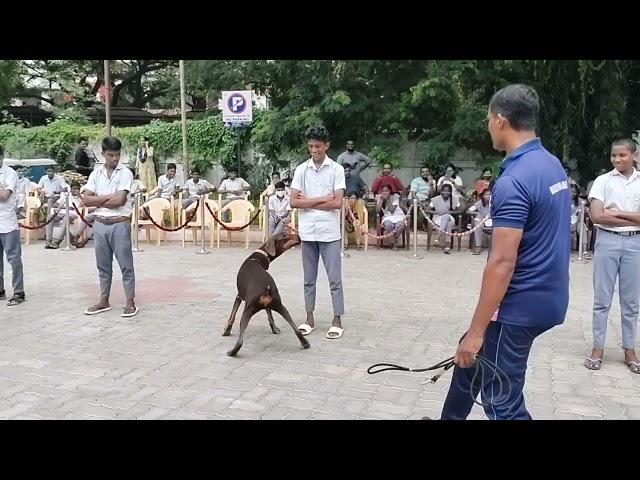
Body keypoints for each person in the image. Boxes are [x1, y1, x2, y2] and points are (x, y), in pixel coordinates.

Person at [438, 83, 570, 420]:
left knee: (501, 401)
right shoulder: (550, 164)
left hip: (520, 305)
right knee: (468, 357)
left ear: (499, 121)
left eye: (487, 120)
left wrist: (478, 330)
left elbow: (501, 262)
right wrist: (473, 334)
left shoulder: (515, 180)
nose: (487, 127)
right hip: (548, 296)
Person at [584, 138, 640, 374]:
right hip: (607, 241)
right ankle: (598, 348)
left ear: (634, 155)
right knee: (602, 299)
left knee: (631, 302)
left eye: (622, 155)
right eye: (613, 156)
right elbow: (597, 216)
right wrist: (633, 215)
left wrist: (615, 212)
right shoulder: (602, 181)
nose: (617, 159)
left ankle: (629, 349)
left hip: (635, 242)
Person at [290, 126, 346, 340]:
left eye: (318, 146)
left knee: (334, 278)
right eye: (311, 146)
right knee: (308, 278)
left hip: (329, 232)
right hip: (308, 231)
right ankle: (309, 317)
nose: (314, 150)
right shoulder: (301, 170)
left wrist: (308, 202)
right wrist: (323, 199)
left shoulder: (336, 169)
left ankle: (337, 318)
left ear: (326, 146)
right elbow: (294, 201)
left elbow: (338, 202)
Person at [81, 136, 138, 318]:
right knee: (103, 266)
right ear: (103, 154)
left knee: (126, 265)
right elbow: (86, 200)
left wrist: (99, 199)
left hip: (119, 223)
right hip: (100, 224)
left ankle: (130, 301)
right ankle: (103, 300)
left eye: (117, 154)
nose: (115, 158)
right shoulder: (96, 173)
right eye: (111, 155)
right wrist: (108, 198)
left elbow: (120, 201)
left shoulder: (125, 173)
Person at [0, 145, 25, 306]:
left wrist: (2, 190)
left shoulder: (10, 173)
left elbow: (4, 196)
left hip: (7, 222)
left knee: (13, 258)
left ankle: (18, 291)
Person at [37, 166, 69, 248]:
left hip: (56, 197)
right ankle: (48, 241)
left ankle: (48, 216)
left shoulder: (59, 178)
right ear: (46, 172)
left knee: (50, 202)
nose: (50, 173)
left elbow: (65, 188)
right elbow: (38, 188)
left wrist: (57, 191)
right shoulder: (43, 178)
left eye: (52, 171)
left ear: (54, 171)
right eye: (49, 171)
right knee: (39, 206)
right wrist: (42, 192)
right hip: (46, 197)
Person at [46, 182, 84, 249]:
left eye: (77, 189)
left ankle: (57, 242)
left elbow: (85, 203)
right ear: (71, 189)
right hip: (62, 212)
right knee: (50, 218)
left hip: (72, 214)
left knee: (65, 220)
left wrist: (79, 196)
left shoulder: (81, 197)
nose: (75, 190)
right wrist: (65, 207)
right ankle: (48, 241)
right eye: (74, 189)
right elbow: (54, 205)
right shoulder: (66, 196)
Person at [427, 183, 461, 254]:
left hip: (450, 218)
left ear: (450, 192)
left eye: (448, 191)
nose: (446, 192)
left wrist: (450, 212)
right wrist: (437, 212)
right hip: (438, 218)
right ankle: (447, 246)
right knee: (447, 223)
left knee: (446, 216)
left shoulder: (454, 199)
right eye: (444, 191)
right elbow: (427, 210)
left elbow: (460, 210)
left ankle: (438, 237)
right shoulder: (435, 199)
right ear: (441, 191)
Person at [377, 184, 406, 251]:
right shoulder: (380, 197)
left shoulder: (395, 196)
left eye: (386, 191)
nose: (385, 193)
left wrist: (388, 200)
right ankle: (394, 242)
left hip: (398, 215)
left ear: (390, 191)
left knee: (400, 225)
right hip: (387, 217)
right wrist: (381, 201)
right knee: (388, 225)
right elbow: (377, 211)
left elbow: (392, 210)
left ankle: (393, 240)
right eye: (383, 191)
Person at [468, 187, 492, 255]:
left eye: (490, 194)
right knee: (477, 224)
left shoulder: (494, 202)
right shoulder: (479, 203)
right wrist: (477, 213)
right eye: (486, 195)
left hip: (492, 221)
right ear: (483, 196)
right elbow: (469, 211)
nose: (488, 196)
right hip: (481, 220)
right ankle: (478, 246)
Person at [570, 184, 590, 258]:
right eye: (571, 191)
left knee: (583, 227)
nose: (572, 194)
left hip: (577, 222)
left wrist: (575, 223)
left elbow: (582, 215)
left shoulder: (581, 201)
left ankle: (584, 251)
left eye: (574, 192)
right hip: (565, 223)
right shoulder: (563, 200)